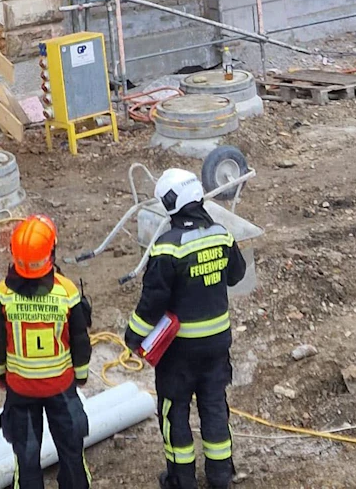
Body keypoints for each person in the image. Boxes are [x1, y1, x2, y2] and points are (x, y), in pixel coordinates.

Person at [124, 168, 247, 489]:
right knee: (214, 407)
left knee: (174, 412)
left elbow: (152, 302)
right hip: (217, 346)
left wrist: (133, 336)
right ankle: (221, 476)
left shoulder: (167, 247)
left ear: (169, 204)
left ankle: (182, 480)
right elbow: (236, 275)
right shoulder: (222, 235)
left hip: (177, 351)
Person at [0, 214, 93, 489]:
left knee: (27, 459)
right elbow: (80, 341)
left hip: (20, 389)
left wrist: (0, 376)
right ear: (51, 252)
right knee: (72, 453)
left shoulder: (2, 294)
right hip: (61, 387)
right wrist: (80, 376)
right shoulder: (67, 292)